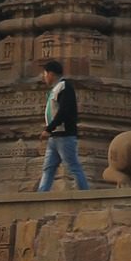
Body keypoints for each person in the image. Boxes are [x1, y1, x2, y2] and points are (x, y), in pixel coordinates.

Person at [36, 58, 89, 191]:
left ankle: (85, 193)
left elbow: (64, 111)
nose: (44, 77)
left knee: (73, 166)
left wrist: (49, 129)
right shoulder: (56, 89)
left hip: (64, 136)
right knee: (48, 168)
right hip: (55, 136)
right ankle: (41, 194)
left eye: (45, 74)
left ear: (51, 74)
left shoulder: (64, 87)